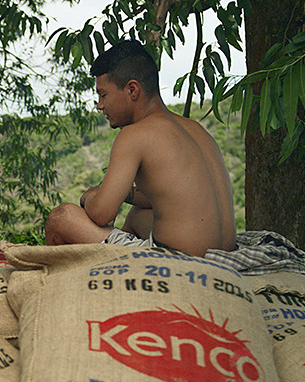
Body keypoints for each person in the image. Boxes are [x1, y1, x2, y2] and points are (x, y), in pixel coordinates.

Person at [44, 39, 236, 257]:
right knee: (137, 216)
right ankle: (117, 262)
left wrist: (89, 196)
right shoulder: (195, 129)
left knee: (61, 218)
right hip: (223, 251)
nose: (99, 105)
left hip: (182, 259)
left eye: (103, 94)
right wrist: (126, 195)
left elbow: (100, 213)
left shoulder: (134, 134)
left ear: (132, 89)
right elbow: (165, 194)